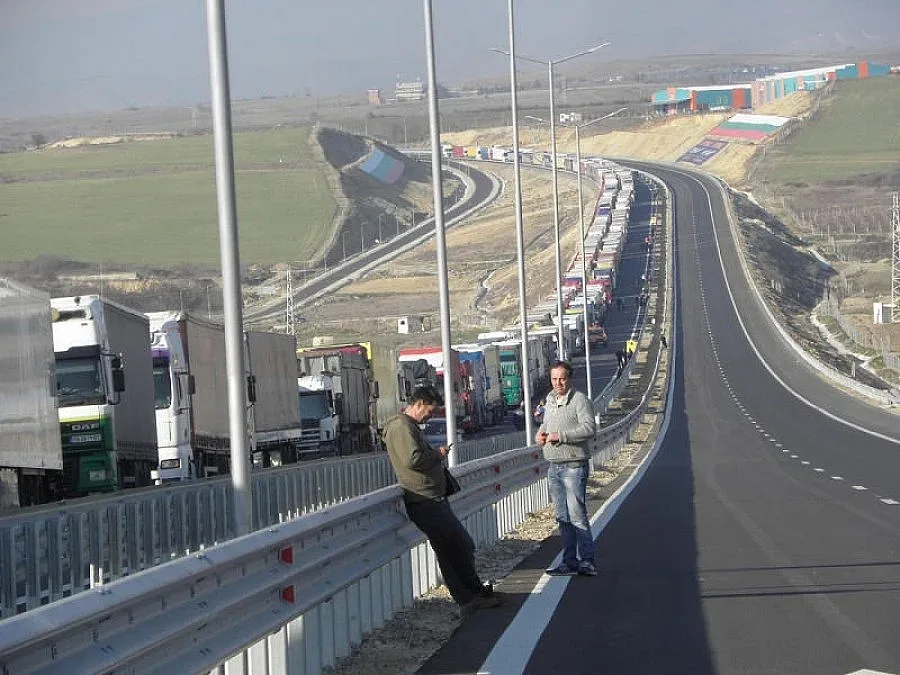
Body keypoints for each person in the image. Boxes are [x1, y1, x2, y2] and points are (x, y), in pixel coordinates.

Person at [382, 385, 500, 617]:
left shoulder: (407, 426)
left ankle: (474, 594)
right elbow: (412, 460)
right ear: (418, 404)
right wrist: (437, 455)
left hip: (430, 497)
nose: (430, 416)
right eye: (430, 411)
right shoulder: (401, 426)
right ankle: (469, 598)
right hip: (424, 498)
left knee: (454, 547)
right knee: (457, 546)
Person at [535, 361, 598, 576]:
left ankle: (587, 560)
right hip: (554, 466)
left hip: (574, 464)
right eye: (554, 379)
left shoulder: (580, 401)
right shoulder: (550, 401)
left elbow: (589, 428)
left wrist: (559, 437)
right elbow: (546, 424)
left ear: (569, 379)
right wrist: (541, 434)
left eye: (562, 378)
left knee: (577, 514)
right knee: (563, 517)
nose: (558, 383)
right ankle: (569, 561)